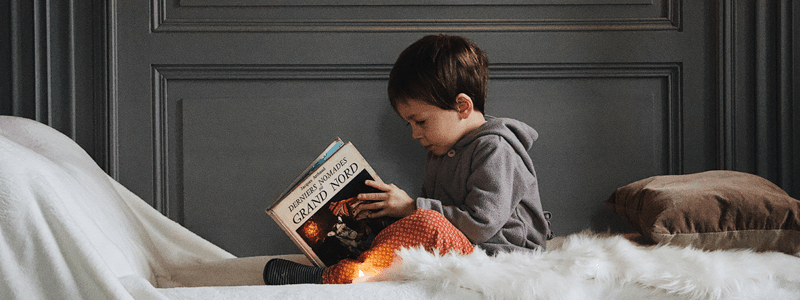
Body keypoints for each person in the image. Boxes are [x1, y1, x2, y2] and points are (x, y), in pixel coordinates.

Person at [263, 34, 552, 285]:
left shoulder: (496, 148)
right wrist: (393, 211)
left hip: (500, 258)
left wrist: (412, 207)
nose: (415, 134)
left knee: (426, 224)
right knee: (398, 221)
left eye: (421, 121)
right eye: (409, 125)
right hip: (465, 249)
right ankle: (349, 261)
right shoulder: (440, 150)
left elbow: (480, 224)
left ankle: (333, 278)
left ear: (462, 106)